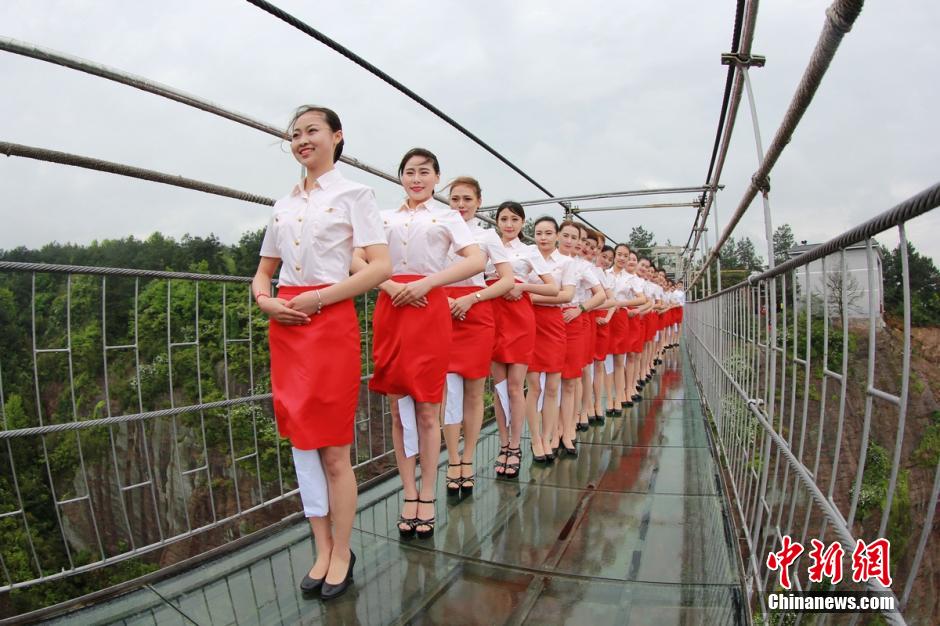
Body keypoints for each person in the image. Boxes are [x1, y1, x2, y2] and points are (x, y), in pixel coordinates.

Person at [253, 105, 391, 600]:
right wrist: (266, 301)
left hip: (328, 318)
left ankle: (342, 551)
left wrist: (318, 298)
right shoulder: (282, 204)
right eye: (296, 134)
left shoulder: (357, 194)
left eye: (313, 131)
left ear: (337, 136)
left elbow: (378, 267)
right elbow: (264, 271)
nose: (303, 140)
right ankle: (320, 545)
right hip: (286, 323)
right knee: (301, 446)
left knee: (333, 451)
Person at [367, 148, 485, 540]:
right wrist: (388, 285)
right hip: (391, 307)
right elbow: (355, 258)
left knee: (428, 410)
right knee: (399, 410)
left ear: (437, 178)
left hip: (429, 307)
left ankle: (429, 494)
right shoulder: (383, 216)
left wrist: (428, 283)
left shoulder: (449, 217)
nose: (416, 179)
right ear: (400, 178)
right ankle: (409, 493)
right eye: (408, 172)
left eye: (424, 172)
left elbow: (474, 261)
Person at [441, 177, 514, 496]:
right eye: (455, 198)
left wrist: (473, 298)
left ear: (479, 201)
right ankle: (452, 459)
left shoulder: (487, 237)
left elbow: (506, 280)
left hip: (476, 310)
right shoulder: (439, 229)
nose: (460, 204)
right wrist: (441, 300)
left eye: (467, 198)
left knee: (473, 390)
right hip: (442, 310)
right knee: (447, 391)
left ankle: (467, 459)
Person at [489, 202, 558, 478]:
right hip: (493, 315)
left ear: (522, 223)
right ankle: (502, 444)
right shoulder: (488, 245)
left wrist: (524, 286)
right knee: (499, 386)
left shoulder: (529, 251)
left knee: (516, 387)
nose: (508, 224)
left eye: (514, 219)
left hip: (519, 317)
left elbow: (552, 287)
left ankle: (515, 446)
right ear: (496, 221)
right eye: (503, 218)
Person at [525, 216, 575, 462]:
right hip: (528, 323)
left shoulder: (567, 263)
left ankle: (548, 437)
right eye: (538, 233)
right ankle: (535, 440)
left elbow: (567, 295)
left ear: (557, 235)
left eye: (548, 233)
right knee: (533, 386)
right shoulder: (527, 258)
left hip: (554, 325)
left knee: (553, 386)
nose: (543, 238)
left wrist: (531, 297)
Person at [555, 221, 605, 457]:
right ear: (557, 236)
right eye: (565, 235)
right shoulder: (543, 258)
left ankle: (568, 430)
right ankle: (552, 431)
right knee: (548, 381)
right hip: (548, 321)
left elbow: (602, 295)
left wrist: (581, 309)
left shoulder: (582, 266)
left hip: (572, 320)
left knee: (571, 379)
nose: (570, 241)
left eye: (575, 238)